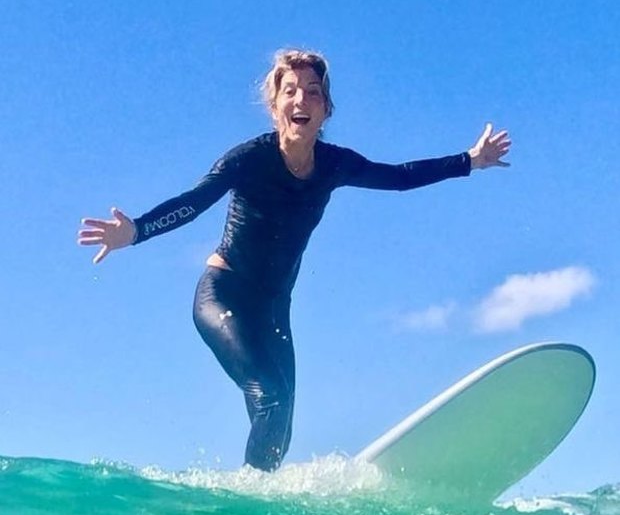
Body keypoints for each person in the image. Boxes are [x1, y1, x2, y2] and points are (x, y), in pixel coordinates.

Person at [78, 49, 511, 472]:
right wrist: (136, 231)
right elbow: (195, 201)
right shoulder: (249, 159)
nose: (301, 100)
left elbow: (398, 177)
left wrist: (469, 161)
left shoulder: (334, 164)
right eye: (290, 91)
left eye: (313, 92)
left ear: (325, 110)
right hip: (223, 293)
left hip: (273, 309)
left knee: (280, 418)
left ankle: (255, 495)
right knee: (270, 396)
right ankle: (247, 504)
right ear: (274, 107)